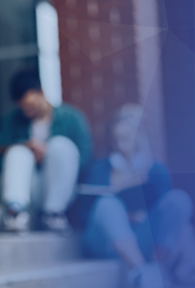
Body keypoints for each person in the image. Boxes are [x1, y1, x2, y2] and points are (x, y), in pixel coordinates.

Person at [80, 105, 194, 288]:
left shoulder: (155, 169)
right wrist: (121, 215)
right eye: (117, 140)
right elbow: (85, 214)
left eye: (126, 138)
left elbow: (168, 214)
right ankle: (141, 272)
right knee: (108, 204)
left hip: (144, 235)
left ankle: (157, 268)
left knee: (179, 199)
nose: (121, 144)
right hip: (108, 240)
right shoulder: (99, 170)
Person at [0, 70, 91, 233]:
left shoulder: (72, 118)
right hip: (29, 189)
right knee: (18, 151)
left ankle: (54, 214)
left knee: (61, 145)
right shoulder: (12, 121)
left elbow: (86, 159)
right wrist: (26, 149)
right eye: (23, 108)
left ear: (42, 93)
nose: (27, 112)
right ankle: (15, 213)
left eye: (31, 106)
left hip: (60, 191)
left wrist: (49, 155)